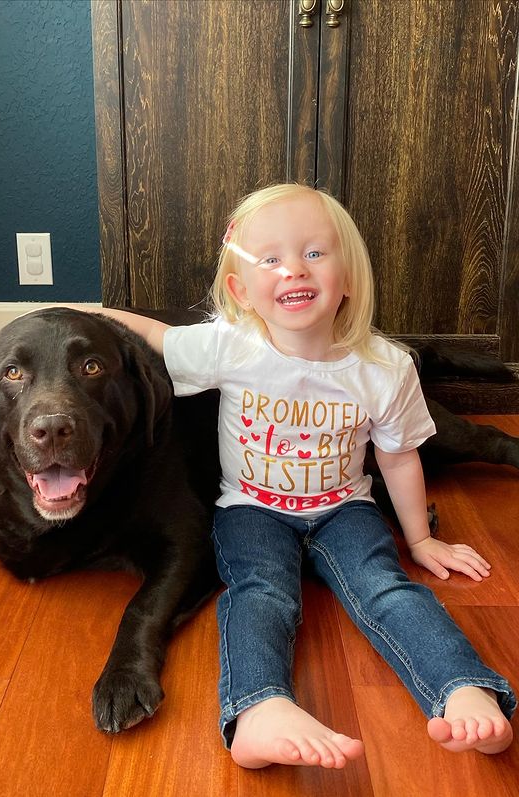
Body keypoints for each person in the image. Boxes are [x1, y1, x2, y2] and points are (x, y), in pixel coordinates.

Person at [93, 183, 515, 769]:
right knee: (262, 593)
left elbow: (397, 457)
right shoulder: (231, 347)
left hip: (348, 509)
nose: (294, 268)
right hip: (250, 511)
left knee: (387, 591)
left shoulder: (384, 368)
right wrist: (98, 314)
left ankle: (463, 687)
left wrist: (418, 539)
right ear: (242, 289)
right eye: (271, 259)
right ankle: (259, 709)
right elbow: (161, 338)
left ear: (348, 275)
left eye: (314, 253)